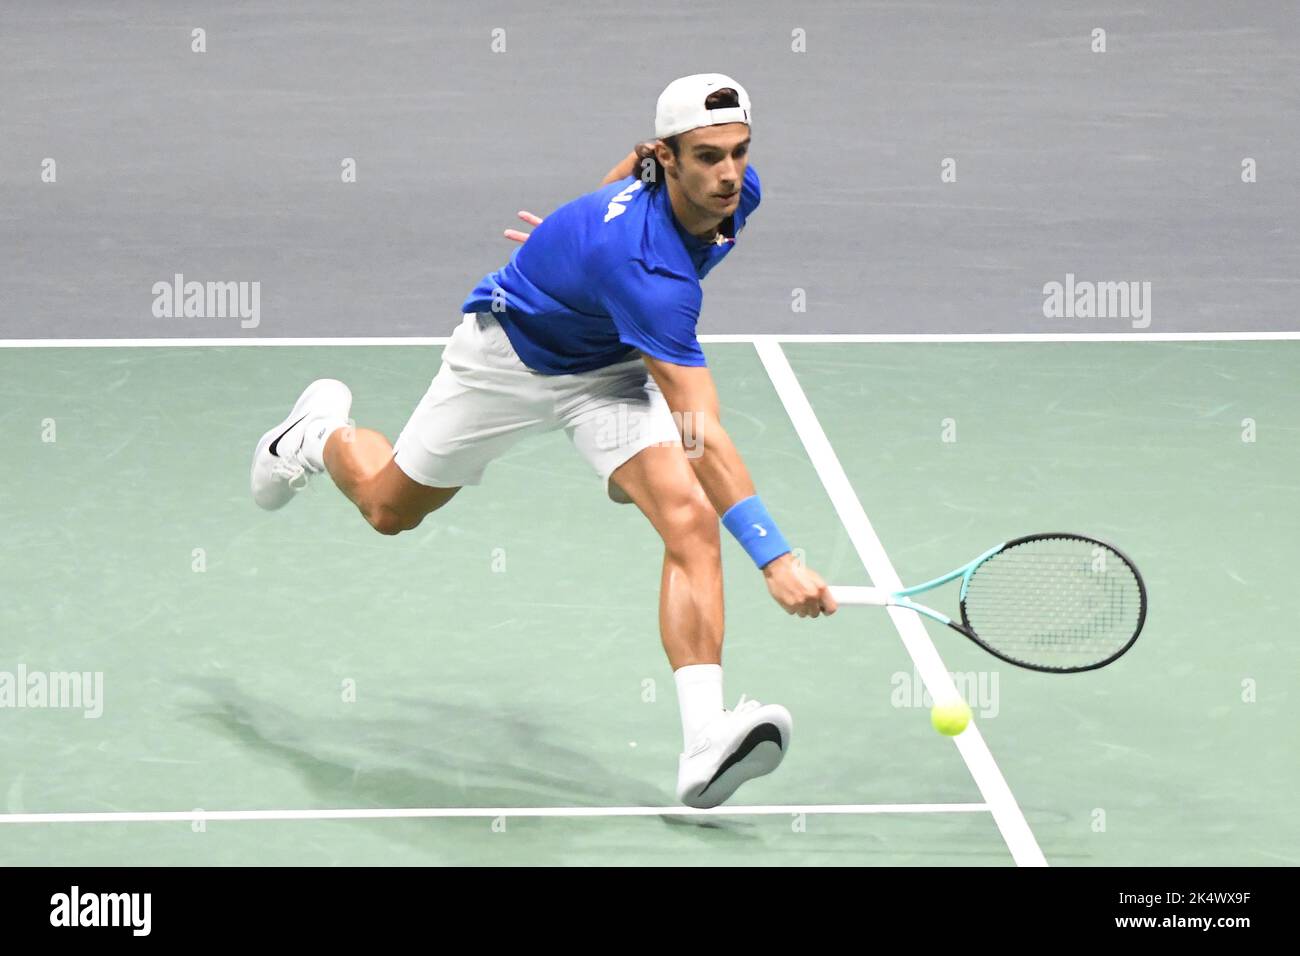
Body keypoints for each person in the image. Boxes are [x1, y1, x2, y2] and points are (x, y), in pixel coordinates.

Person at [249, 73, 837, 808]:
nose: (729, 175)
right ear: (670, 156)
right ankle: (315, 433)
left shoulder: (730, 199)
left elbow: (631, 181)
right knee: (387, 509)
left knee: (687, 517)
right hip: (506, 357)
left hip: (611, 373)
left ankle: (703, 744)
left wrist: (577, 238)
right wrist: (775, 559)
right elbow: (701, 429)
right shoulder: (648, 272)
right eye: (709, 157)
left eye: (740, 153)